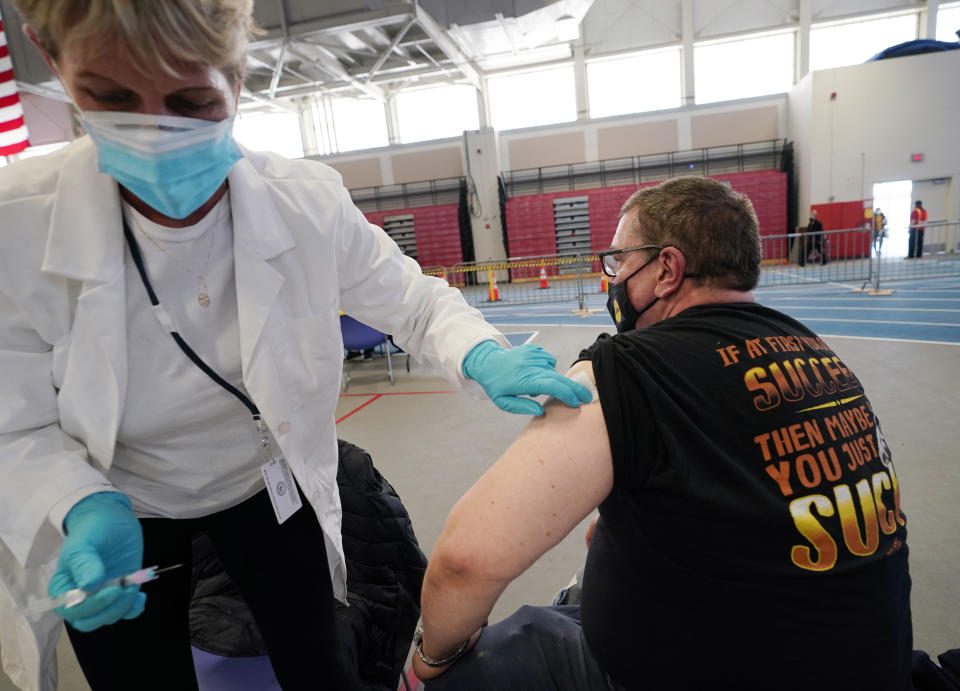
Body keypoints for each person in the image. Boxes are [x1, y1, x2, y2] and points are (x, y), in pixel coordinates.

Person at [0, 2, 591, 690]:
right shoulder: (18, 223)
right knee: (135, 672)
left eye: (192, 100)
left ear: (239, 74)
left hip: (262, 482)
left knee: (319, 658)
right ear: (50, 56)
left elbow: (411, 298)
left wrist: (478, 351)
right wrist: (76, 502)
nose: (158, 132)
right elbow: (12, 414)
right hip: (119, 501)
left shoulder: (305, 201)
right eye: (112, 99)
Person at [412, 177, 912, 691]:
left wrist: (429, 658)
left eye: (620, 263)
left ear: (667, 269)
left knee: (473, 670)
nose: (613, 279)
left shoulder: (632, 370)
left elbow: (464, 562)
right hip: (862, 666)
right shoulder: (822, 358)